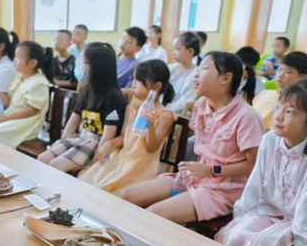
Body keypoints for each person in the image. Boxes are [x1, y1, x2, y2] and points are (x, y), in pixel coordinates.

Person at [216, 77, 307, 246]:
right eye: (278, 107)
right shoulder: (270, 139)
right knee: (234, 235)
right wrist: (241, 215)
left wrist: (301, 245)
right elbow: (255, 182)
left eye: (289, 111)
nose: (278, 116)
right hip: (271, 210)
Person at [120, 52, 264, 224]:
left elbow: (252, 165)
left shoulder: (247, 116)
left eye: (204, 69)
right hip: (193, 177)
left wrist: (212, 171)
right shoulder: (201, 105)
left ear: (225, 78)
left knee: (153, 215)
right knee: (126, 196)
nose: (196, 74)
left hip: (223, 190)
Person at [78, 60, 176, 194]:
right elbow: (124, 137)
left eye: (138, 81)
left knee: (108, 189)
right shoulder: (132, 108)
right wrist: (110, 143)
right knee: (89, 179)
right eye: (133, 79)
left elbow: (152, 148)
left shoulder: (165, 115)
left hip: (139, 165)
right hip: (121, 158)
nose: (133, 84)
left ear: (157, 86)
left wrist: (151, 127)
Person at [38, 44, 128, 173]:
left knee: (56, 165)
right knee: (42, 159)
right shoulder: (87, 90)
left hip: (95, 143)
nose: (80, 65)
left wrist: (94, 162)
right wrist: (63, 142)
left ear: (97, 68)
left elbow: (108, 136)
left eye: (84, 63)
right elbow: (73, 120)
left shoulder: (114, 97)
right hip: (80, 138)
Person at [0, 41, 53, 149]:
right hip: (10, 117)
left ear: (32, 63)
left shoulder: (39, 83)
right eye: (15, 56)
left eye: (19, 57)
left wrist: (7, 118)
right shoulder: (19, 78)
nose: (14, 60)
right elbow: (10, 103)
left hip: (25, 124)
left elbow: (32, 111)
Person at [254, 51, 307, 128]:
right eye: (279, 70)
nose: (280, 75)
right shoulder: (264, 93)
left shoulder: (299, 105)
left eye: (288, 72)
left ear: (303, 77)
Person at [167, 32, 200, 115]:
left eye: (177, 49)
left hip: (179, 115)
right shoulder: (171, 68)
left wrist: (166, 109)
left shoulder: (197, 74)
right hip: (163, 110)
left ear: (191, 51)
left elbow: (186, 101)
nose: (173, 52)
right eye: (173, 49)